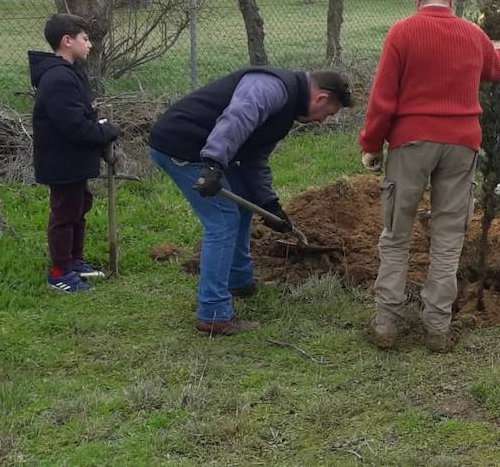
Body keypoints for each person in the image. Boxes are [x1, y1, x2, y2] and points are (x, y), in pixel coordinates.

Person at [360, 0, 500, 353]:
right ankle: (437, 328)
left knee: (396, 233)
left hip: (411, 143)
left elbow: (383, 96)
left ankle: (386, 323)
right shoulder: (471, 34)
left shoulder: (402, 32)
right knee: (448, 237)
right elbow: (497, 70)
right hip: (462, 144)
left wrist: (372, 144)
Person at [150, 67, 352, 335]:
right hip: (181, 145)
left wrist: (270, 206)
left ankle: (239, 281)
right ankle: (213, 314)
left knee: (243, 204)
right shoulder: (271, 88)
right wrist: (213, 164)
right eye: (328, 114)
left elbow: (254, 159)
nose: (322, 121)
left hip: (209, 150)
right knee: (223, 220)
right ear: (321, 99)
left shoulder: (286, 112)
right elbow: (237, 118)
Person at [30, 14, 121, 293]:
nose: (89, 44)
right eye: (85, 38)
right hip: (62, 160)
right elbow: (73, 127)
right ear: (67, 41)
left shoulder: (70, 72)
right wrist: (106, 132)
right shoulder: (57, 78)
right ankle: (58, 273)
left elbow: (80, 115)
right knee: (65, 213)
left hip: (74, 160)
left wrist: (97, 123)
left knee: (79, 207)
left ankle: (74, 260)